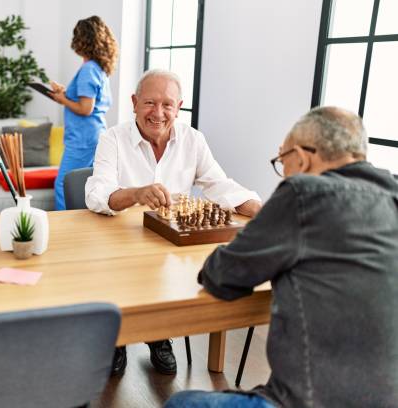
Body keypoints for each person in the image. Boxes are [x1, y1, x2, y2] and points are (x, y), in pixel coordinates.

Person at [165, 107, 398, 408]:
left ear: (301, 158)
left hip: (308, 402)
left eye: (281, 161)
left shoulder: (303, 193)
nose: (283, 171)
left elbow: (220, 276)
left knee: (180, 403)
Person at [85, 69, 262, 376]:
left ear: (179, 106)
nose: (158, 113)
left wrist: (259, 209)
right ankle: (117, 338)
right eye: (150, 103)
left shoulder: (193, 140)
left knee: (176, 269)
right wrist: (137, 194)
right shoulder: (112, 138)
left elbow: (219, 185)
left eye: (167, 104)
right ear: (134, 102)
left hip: (169, 241)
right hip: (120, 241)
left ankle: (159, 335)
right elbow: (97, 193)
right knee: (121, 270)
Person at [50, 15, 119, 210]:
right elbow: (88, 102)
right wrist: (65, 93)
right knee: (84, 185)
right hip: (92, 134)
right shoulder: (98, 69)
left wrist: (62, 98)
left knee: (63, 185)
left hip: (82, 138)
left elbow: (86, 108)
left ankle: (64, 231)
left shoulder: (88, 69)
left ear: (83, 39)